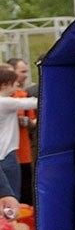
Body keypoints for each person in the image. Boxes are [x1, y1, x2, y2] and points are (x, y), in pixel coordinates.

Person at [0, 65, 37, 201]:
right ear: (5, 85)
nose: (17, 87)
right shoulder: (5, 102)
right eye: (15, 84)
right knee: (13, 196)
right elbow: (35, 103)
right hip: (6, 155)